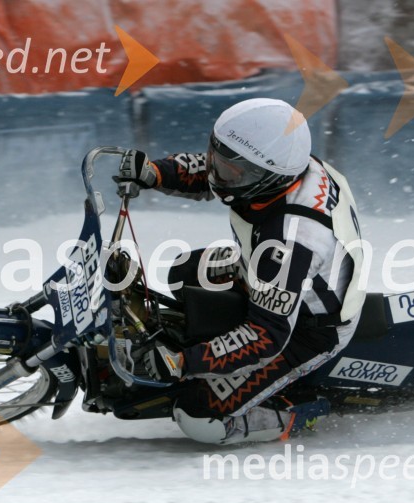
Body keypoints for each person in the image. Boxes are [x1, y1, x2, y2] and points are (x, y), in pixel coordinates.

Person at [116, 98, 366, 444]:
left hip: (309, 327)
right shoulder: (286, 165)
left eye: (232, 171)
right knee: (184, 271)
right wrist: (155, 173)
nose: (217, 172)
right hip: (262, 268)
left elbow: (267, 337)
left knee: (197, 415)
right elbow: (220, 171)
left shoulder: (290, 243)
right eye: (218, 157)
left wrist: (183, 362)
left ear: (268, 177)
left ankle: (297, 414)